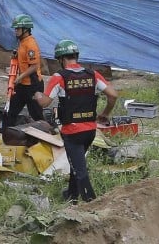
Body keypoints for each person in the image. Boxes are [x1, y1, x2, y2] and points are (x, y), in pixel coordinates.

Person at [35, 39, 118, 203]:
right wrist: (105, 113)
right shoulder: (92, 74)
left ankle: (91, 202)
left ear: (61, 59)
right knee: (76, 162)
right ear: (76, 56)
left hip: (72, 132)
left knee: (80, 171)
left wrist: (37, 95)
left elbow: (45, 102)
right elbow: (113, 95)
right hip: (90, 131)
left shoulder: (60, 77)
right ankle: (72, 196)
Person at [4, 14, 44, 129]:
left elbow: (34, 66)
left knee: (36, 115)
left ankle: (49, 134)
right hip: (22, 85)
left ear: (25, 29)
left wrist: (20, 77)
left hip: (33, 85)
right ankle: (6, 135)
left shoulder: (31, 44)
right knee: (10, 111)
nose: (15, 31)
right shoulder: (22, 41)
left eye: (17, 29)